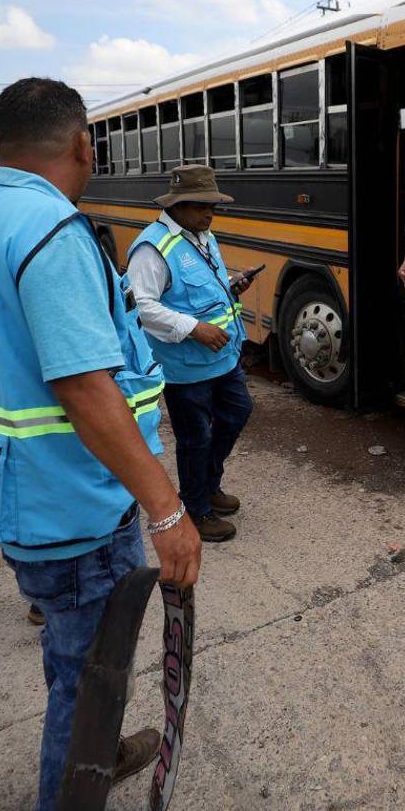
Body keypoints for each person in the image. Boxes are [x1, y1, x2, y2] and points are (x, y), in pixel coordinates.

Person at [0, 78, 201, 811]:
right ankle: (73, 785)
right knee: (88, 678)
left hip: (17, 493)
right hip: (77, 507)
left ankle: (99, 751)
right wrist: (168, 509)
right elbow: (86, 389)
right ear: (83, 143)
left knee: (75, 658)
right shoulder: (54, 233)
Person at [127, 165, 256, 543]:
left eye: (213, 204)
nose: (210, 212)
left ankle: (208, 483)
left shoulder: (202, 235)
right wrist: (194, 329)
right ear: (178, 205)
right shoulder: (152, 248)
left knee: (237, 412)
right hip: (185, 368)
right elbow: (143, 308)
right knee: (195, 437)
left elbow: (201, 291)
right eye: (201, 205)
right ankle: (197, 509)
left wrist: (233, 286)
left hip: (222, 357)